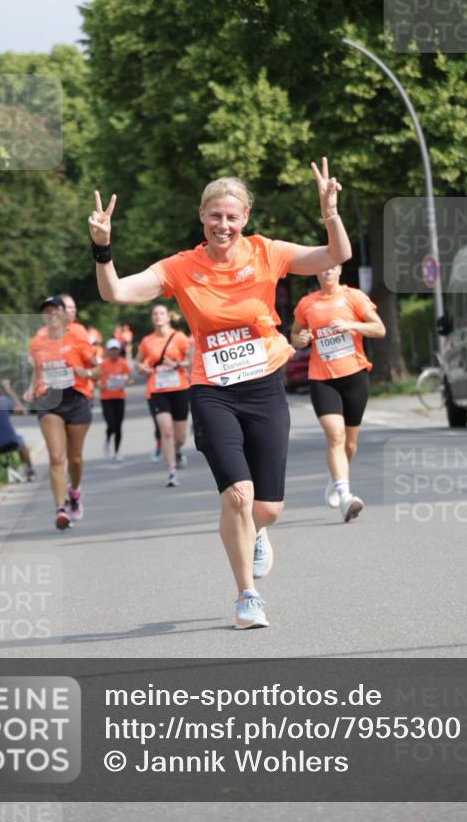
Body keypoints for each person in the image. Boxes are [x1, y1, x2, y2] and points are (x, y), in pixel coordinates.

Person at [88, 158, 351, 629]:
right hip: (212, 390)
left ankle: (256, 533)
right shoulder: (180, 267)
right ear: (202, 217)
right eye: (215, 215)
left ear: (244, 219)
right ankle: (247, 597)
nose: (223, 225)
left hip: (265, 384)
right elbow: (116, 293)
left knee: (267, 507)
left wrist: (330, 213)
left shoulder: (267, 252)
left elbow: (335, 258)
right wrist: (102, 248)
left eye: (232, 216)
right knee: (237, 495)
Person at [291, 265, 386, 521]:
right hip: (322, 379)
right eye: (321, 268)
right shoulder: (306, 303)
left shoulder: (353, 297)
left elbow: (379, 329)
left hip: (354, 375)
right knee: (335, 436)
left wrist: (350, 325)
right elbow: (296, 334)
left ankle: (337, 479)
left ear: (340, 269)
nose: (327, 272)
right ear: (316, 273)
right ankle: (346, 496)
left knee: (350, 444)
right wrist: (300, 339)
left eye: (332, 267)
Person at [23, 296, 101, 530]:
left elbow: (96, 369)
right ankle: (60, 509)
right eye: (46, 311)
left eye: (55, 309)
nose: (51, 314)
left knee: (74, 458)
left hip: (76, 399)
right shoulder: (37, 341)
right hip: (49, 400)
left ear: (63, 313)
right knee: (57, 457)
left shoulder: (78, 336)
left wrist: (85, 374)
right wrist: (30, 388)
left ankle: (74, 492)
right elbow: (38, 370)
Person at [135, 305, 192, 486]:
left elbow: (190, 361)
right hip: (157, 390)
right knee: (166, 430)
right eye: (155, 314)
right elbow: (138, 362)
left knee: (180, 437)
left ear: (168, 317)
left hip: (179, 388)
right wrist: (141, 368)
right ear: (152, 318)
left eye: (161, 313)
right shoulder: (147, 341)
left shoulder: (179, 337)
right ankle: (172, 471)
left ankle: (176, 450)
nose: (158, 316)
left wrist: (176, 363)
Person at [0, 379, 36, 479]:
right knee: (21, 441)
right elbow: (21, 410)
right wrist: (10, 391)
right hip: (10, 442)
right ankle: (30, 471)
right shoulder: (4, 400)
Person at [100, 337, 135, 462]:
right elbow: (96, 380)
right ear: (107, 351)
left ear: (119, 351)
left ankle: (117, 451)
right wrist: (100, 385)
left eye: (116, 350)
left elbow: (131, 378)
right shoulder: (103, 364)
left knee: (119, 425)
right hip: (106, 398)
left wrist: (127, 382)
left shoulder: (123, 363)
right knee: (111, 424)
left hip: (119, 398)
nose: (114, 352)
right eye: (111, 350)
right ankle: (108, 438)